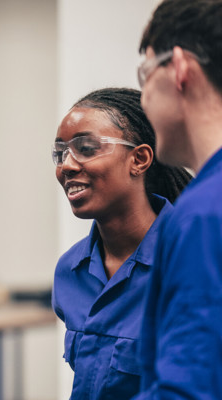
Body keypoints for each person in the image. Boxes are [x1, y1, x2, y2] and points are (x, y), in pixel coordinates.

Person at [50, 88, 191, 399]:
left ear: (138, 159)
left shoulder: (192, 261)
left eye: (86, 148)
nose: (67, 166)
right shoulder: (70, 272)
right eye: (60, 153)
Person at [135, 0, 222, 397]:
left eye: (145, 75)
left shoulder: (202, 213)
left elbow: (188, 388)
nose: (143, 101)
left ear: (181, 68)